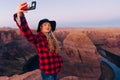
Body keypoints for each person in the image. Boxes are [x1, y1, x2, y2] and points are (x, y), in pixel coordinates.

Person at [13, 2, 63, 80]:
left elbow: (56, 55)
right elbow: (27, 32)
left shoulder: (53, 39)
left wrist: (59, 62)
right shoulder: (38, 39)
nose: (47, 26)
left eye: (49, 25)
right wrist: (20, 15)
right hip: (47, 73)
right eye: (45, 25)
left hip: (56, 71)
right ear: (41, 28)